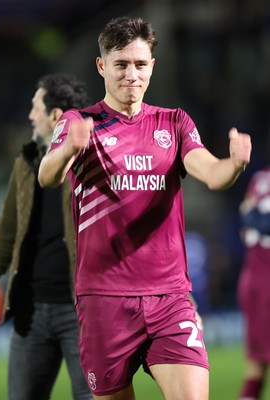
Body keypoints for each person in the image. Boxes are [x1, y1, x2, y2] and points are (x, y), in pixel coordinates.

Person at [38, 16, 252, 400]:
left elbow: (211, 172)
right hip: (104, 301)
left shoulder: (174, 123)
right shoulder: (79, 123)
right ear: (102, 66)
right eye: (121, 64)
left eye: (140, 64)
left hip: (169, 298)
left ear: (152, 64)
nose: (131, 75)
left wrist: (233, 165)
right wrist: (70, 148)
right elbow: (47, 175)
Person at [0, 73, 92, 400]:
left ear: (54, 116)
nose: (29, 115)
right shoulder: (26, 162)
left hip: (83, 313)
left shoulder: (95, 159)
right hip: (32, 310)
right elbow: (9, 225)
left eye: (35, 107)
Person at [237, 166, 270, 400]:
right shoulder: (260, 177)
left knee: (257, 361)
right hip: (262, 278)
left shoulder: (259, 177)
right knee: (257, 361)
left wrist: (252, 217)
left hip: (253, 277)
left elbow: (247, 215)